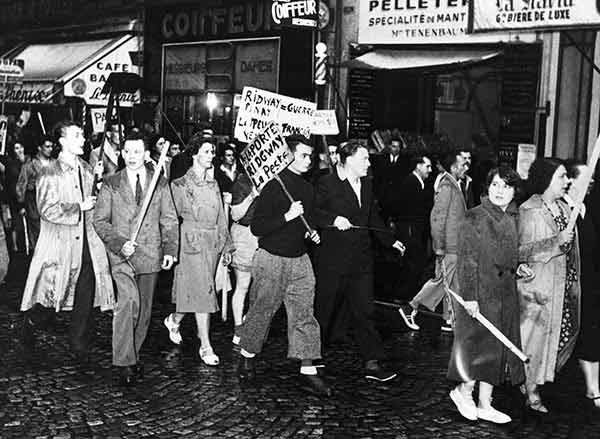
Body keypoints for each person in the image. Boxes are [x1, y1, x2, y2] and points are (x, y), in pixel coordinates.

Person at [236, 134, 331, 397]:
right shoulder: (273, 186)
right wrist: (287, 215)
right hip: (271, 259)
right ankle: (247, 356)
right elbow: (258, 227)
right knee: (261, 309)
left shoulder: (308, 189)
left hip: (300, 260)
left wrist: (311, 232)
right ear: (288, 155)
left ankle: (308, 370)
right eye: (302, 155)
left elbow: (308, 220)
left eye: (310, 156)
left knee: (304, 313)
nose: (308, 160)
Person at [20, 120, 114, 362]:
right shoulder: (49, 172)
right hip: (60, 243)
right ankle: (31, 322)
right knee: (52, 294)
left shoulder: (86, 167)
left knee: (86, 288)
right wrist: (78, 207)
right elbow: (46, 209)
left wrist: (99, 181)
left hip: (87, 243)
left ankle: (79, 344)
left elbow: (96, 203)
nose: (83, 139)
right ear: (62, 141)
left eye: (82, 135)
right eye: (77, 135)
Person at [313, 140, 405, 382]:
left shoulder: (367, 183)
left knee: (365, 311)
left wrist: (389, 241)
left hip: (361, 261)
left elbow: (372, 216)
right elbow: (313, 213)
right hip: (332, 260)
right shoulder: (326, 183)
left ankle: (372, 362)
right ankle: (312, 358)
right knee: (324, 310)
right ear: (348, 160)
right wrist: (333, 220)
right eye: (364, 158)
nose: (368, 163)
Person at [93, 131, 179, 386]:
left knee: (143, 310)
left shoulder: (159, 182)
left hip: (150, 253)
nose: (131, 157)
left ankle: (134, 355)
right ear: (122, 153)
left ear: (146, 153)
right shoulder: (111, 183)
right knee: (128, 303)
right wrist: (119, 244)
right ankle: (124, 362)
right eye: (127, 151)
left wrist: (170, 250)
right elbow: (100, 221)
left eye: (137, 151)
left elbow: (169, 219)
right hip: (121, 256)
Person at [447, 166, 526, 424]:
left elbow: (509, 255)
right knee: (475, 345)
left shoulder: (513, 217)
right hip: (479, 293)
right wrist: (470, 297)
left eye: (506, 186)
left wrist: (519, 266)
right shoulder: (474, 217)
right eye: (495, 185)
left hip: (504, 294)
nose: (499, 191)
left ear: (514, 190)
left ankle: (485, 403)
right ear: (487, 188)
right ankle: (463, 392)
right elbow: (466, 261)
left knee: (497, 348)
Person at [164, 139, 233, 366]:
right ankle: (205, 345)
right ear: (194, 154)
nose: (211, 155)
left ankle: (174, 320)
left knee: (196, 291)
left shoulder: (214, 184)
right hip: (191, 243)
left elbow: (221, 217)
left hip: (211, 243)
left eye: (212, 151)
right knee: (204, 292)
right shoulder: (180, 184)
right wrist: (170, 247)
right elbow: (170, 218)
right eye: (206, 151)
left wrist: (227, 245)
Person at [518, 158, 580, 413]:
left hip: (561, 288)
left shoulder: (565, 210)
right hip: (537, 290)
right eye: (562, 176)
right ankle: (531, 390)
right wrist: (556, 242)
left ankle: (532, 382)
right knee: (532, 341)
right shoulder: (529, 210)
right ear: (547, 179)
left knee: (551, 342)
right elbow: (520, 251)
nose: (567, 182)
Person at [403, 150, 468, 336]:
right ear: (453, 167)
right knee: (442, 281)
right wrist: (438, 246)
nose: (465, 167)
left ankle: (448, 319)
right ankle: (410, 308)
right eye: (462, 164)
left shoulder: (455, 184)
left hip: (454, 245)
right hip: (448, 246)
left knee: (452, 283)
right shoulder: (448, 186)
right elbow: (437, 218)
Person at [564, 161, 600, 409]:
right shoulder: (562, 210)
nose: (592, 183)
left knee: (591, 333)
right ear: (570, 181)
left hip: (590, 284)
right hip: (567, 286)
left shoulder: (589, 208)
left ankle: (593, 388)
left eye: (593, 178)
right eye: (587, 178)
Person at [392, 155, 433, 304]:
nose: (430, 170)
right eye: (427, 166)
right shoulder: (411, 182)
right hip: (410, 230)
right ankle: (403, 296)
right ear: (418, 166)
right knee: (411, 262)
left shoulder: (420, 183)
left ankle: (408, 295)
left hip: (416, 229)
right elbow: (405, 209)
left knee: (415, 263)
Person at [229, 171, 260, 347]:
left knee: (264, 285)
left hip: (265, 235)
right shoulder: (242, 183)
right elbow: (236, 215)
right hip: (245, 235)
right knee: (243, 285)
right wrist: (253, 195)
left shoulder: (275, 181)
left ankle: (250, 319)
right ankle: (238, 328)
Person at [16, 135, 55, 249]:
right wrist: (22, 204)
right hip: (35, 204)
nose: (50, 149)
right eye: (47, 146)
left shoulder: (55, 163)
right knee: (39, 235)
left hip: (53, 203)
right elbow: (20, 186)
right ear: (39, 148)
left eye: (52, 146)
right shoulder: (29, 166)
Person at [4, 141, 28, 252]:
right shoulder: (11, 165)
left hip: (29, 199)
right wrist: (20, 205)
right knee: (18, 226)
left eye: (21, 147)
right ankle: (18, 250)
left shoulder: (27, 161)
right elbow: (12, 186)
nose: (19, 150)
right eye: (16, 148)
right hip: (17, 200)